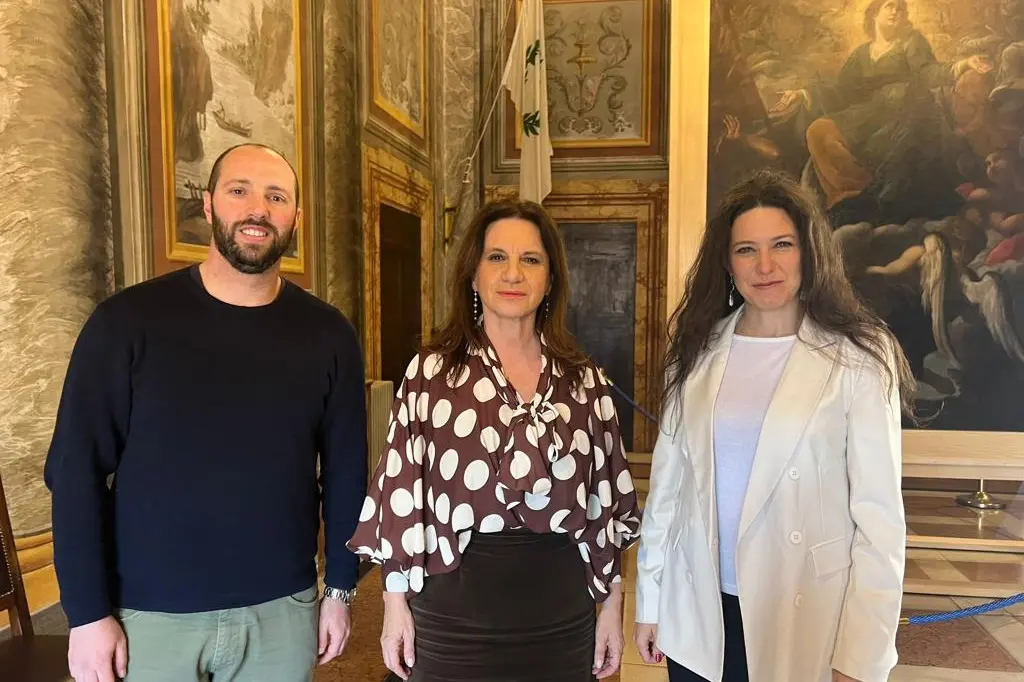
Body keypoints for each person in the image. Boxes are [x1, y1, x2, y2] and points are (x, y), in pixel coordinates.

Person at [44, 143, 367, 682]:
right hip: (150, 616)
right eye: (240, 191)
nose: (258, 209)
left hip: (282, 612)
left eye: (276, 197)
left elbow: (346, 472)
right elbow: (75, 470)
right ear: (210, 203)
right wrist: (86, 613)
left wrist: (339, 588)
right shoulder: (125, 323)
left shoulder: (329, 335)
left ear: (296, 217)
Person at [633, 170, 913, 682]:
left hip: (804, 609)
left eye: (781, 244)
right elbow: (669, 488)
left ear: (808, 252)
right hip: (698, 608)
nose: (765, 266)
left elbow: (879, 519)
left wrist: (862, 655)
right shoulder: (697, 349)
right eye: (746, 250)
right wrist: (650, 599)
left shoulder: (860, 356)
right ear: (727, 262)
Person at [346, 199, 642, 681]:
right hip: (453, 618)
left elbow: (606, 505)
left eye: (531, 259)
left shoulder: (583, 380)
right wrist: (394, 605)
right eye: (497, 257)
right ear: (473, 274)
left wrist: (612, 607)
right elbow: (401, 497)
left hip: (560, 617)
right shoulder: (431, 374)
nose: (513, 274)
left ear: (551, 278)